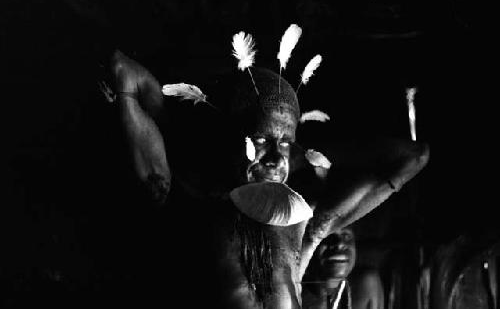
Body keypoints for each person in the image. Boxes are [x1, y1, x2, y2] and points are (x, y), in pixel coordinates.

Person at [108, 49, 429, 309]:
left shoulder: (305, 225)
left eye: (286, 144)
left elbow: (413, 157)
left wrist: (301, 152)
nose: (277, 158)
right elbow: (127, 72)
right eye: (261, 140)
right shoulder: (195, 203)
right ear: (228, 139)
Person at [302, 227, 384, 309]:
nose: (340, 244)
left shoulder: (366, 283)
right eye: (328, 235)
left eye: (346, 236)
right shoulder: (294, 293)